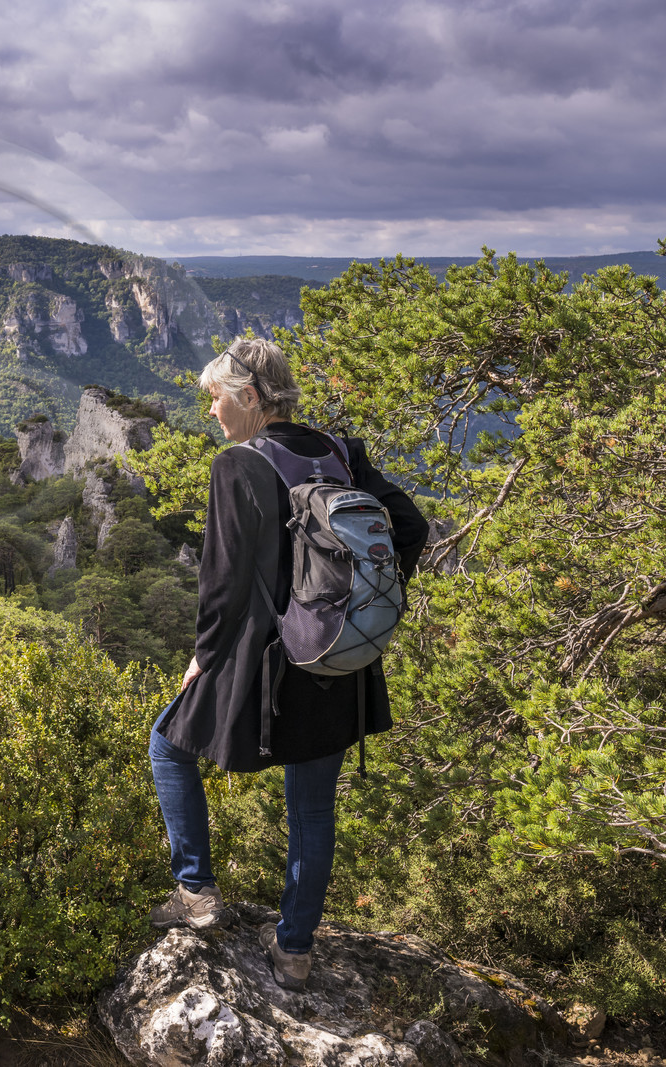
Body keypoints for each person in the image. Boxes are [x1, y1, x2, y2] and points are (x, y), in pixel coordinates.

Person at [146, 337, 428, 991]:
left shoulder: (237, 465)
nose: (211, 411)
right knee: (312, 810)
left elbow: (222, 585)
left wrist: (202, 660)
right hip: (339, 660)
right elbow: (410, 528)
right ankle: (294, 951)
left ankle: (195, 893)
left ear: (247, 396)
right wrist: (363, 605)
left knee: (167, 744)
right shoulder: (338, 451)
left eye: (215, 397)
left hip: (271, 664)